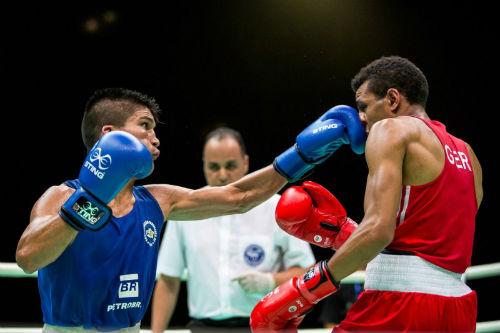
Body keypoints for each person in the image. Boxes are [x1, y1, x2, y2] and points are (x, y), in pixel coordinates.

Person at [15, 87, 365, 333]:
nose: (156, 139)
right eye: (145, 125)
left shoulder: (158, 200)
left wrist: (303, 154)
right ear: (110, 134)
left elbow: (238, 196)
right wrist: (87, 204)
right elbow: (28, 258)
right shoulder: (61, 196)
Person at [250, 55, 482, 332]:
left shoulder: (391, 129)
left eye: (363, 106)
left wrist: (306, 289)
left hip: (399, 305)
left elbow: (379, 231)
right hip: (458, 309)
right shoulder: (467, 153)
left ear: (393, 99)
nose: (360, 120)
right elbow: (427, 237)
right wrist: (345, 233)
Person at [150, 127, 316, 333]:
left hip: (266, 324)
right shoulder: (184, 212)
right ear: (204, 166)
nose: (222, 175)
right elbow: (168, 279)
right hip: (203, 327)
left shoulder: (277, 208)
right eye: (214, 167)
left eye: (230, 165)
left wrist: (270, 282)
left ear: (245, 162)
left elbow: (308, 273)